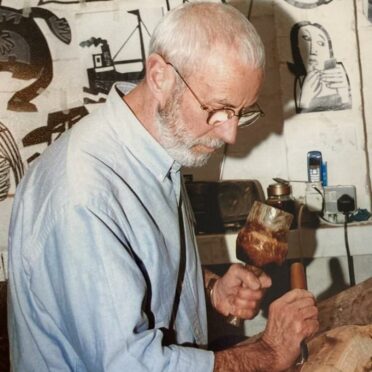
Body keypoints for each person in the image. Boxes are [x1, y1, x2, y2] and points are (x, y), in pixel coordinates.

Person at [8, 2, 319, 371]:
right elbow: (132, 365)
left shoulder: (156, 149)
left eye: (241, 112)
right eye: (218, 110)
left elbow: (134, 268)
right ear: (159, 76)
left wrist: (208, 290)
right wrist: (268, 353)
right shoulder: (85, 198)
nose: (230, 133)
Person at [287, 21, 351, 113]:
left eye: (321, 43)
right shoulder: (299, 81)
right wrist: (305, 100)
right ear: (296, 48)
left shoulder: (340, 78)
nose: (313, 50)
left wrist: (345, 94)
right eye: (306, 39)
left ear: (329, 52)